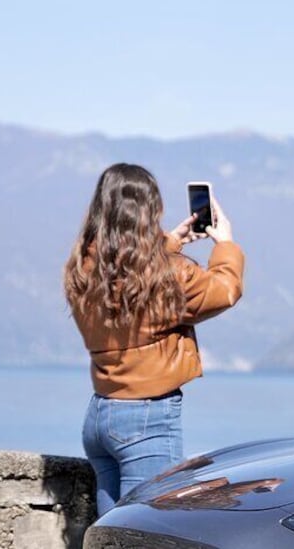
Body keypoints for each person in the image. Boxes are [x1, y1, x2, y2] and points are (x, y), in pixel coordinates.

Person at [63, 163, 244, 515]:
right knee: (146, 528)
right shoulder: (167, 274)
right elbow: (223, 290)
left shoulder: (84, 265)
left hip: (101, 412)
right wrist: (225, 245)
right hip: (146, 418)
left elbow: (127, 266)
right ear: (150, 211)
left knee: (113, 532)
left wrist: (171, 242)